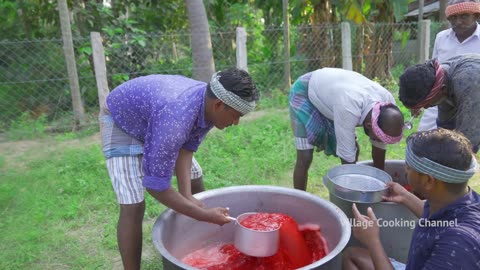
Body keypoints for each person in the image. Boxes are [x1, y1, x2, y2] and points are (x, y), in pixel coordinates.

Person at [99, 68, 259, 270]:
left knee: (195, 177)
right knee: (133, 204)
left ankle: (204, 243)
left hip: (156, 118)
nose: (236, 123)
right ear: (219, 105)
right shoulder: (176, 120)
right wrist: (203, 214)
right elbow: (156, 186)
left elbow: (186, 149)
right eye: (236, 116)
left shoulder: (208, 106)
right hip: (121, 119)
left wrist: (187, 196)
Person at [342, 128, 480, 270]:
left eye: (409, 167)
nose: (405, 170)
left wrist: (372, 241)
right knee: (351, 256)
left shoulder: (456, 246)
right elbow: (440, 222)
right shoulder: (458, 200)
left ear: (428, 181)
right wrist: (406, 197)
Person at [289, 68, 405, 191]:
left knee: (354, 150)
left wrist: (382, 186)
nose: (380, 141)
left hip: (334, 94)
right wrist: (354, 196)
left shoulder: (388, 104)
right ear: (369, 126)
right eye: (378, 137)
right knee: (305, 157)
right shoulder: (348, 108)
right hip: (306, 91)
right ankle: (300, 200)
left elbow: (379, 153)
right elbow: (347, 163)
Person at [418, 0, 480, 131]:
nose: (458, 21)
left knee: (465, 145)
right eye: (453, 18)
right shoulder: (441, 37)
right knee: (424, 137)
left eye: (464, 16)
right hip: (442, 98)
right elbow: (433, 71)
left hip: (474, 102)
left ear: (476, 16)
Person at [399, 53, 480, 153]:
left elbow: (468, 144)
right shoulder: (440, 77)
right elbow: (446, 130)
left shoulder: (469, 84)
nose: (427, 107)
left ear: (443, 89)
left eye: (427, 104)